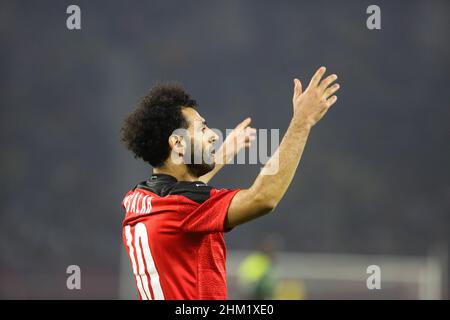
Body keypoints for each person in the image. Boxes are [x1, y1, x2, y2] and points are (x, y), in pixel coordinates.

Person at [120, 67, 340, 299]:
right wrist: (302, 122)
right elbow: (263, 198)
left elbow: (181, 197)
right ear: (178, 143)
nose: (213, 135)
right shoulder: (183, 208)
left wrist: (224, 153)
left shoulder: (139, 199)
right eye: (203, 128)